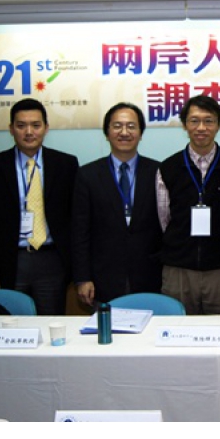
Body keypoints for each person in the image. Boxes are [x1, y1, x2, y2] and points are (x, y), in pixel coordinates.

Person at [0, 99, 78, 315]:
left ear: (46, 128)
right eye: (21, 126)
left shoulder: (66, 164)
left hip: (52, 260)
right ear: (11, 129)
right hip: (9, 260)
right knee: (10, 322)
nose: (29, 132)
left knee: (50, 322)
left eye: (36, 125)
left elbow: (75, 218)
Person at [156, 95, 220, 314]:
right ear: (184, 125)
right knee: (178, 327)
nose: (201, 128)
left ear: (218, 125)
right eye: (194, 121)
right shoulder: (168, 168)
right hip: (179, 268)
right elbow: (164, 219)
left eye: (208, 121)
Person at [72, 102, 162, 306]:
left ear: (141, 133)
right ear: (107, 133)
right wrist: (82, 278)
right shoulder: (87, 175)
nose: (124, 132)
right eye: (117, 126)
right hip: (103, 277)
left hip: (150, 275)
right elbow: (80, 232)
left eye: (131, 126)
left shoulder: (158, 172)